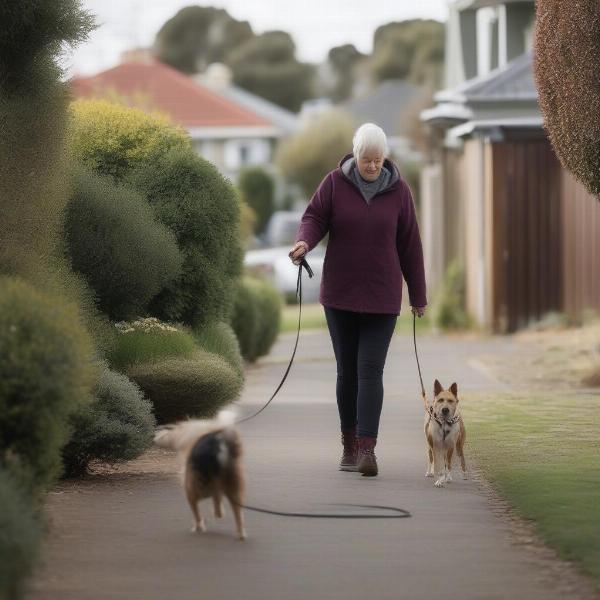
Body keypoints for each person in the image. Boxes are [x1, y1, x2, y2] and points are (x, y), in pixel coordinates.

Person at [289, 123, 427, 477]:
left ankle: (367, 450)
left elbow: (410, 244)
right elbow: (314, 218)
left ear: (385, 158)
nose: (371, 166)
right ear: (356, 155)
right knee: (346, 372)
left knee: (370, 371)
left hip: (382, 296)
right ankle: (348, 447)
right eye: (366, 159)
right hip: (341, 294)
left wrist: (419, 294)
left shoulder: (399, 192)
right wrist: (304, 243)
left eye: (377, 160)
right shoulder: (334, 183)